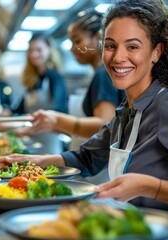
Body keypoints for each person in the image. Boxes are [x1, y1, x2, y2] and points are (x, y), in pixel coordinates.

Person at [0, 0, 168, 238]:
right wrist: (32, 162)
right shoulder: (126, 110)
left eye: (132, 47)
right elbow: (86, 157)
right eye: (110, 46)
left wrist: (151, 187)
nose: (118, 57)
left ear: (156, 52)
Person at [18, 9, 125, 151]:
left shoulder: (103, 74)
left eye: (77, 41)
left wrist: (57, 120)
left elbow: (104, 124)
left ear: (98, 38)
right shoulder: (99, 73)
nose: (72, 48)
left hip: (99, 168)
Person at [21, 33, 68, 114]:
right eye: (31, 50)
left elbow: (60, 108)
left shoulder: (55, 77)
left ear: (49, 49)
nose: (34, 54)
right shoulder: (33, 79)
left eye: (39, 50)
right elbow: (20, 108)